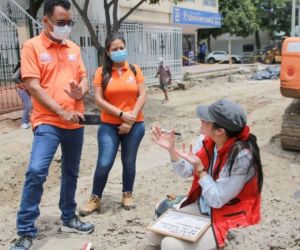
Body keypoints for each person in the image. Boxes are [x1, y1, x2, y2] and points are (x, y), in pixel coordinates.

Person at [10, 1, 94, 249]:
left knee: (71, 171)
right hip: (48, 121)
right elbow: (33, 86)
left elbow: (83, 78)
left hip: (74, 121)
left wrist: (81, 94)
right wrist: (60, 111)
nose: (66, 27)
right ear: (45, 21)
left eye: (69, 22)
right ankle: (25, 230)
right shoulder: (32, 46)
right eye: (61, 22)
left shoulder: (73, 48)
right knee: (36, 171)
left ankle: (68, 217)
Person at [148, 99, 263, 250]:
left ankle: (224, 237)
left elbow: (217, 199)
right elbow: (186, 171)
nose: (201, 120)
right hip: (205, 204)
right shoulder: (206, 140)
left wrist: (200, 169)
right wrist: (171, 150)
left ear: (220, 131)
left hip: (226, 211)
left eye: (206, 120)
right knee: (154, 235)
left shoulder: (241, 156)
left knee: (170, 245)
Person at [79, 33, 147, 216]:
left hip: (135, 124)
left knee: (129, 161)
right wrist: (121, 115)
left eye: (121, 48)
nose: (119, 51)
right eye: (114, 49)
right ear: (108, 52)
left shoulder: (134, 69)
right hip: (109, 125)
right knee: (104, 162)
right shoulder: (102, 72)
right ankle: (95, 198)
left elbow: (142, 95)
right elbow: (99, 100)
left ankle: (127, 194)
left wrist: (129, 118)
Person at [12, 62, 32, 129]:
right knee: (28, 105)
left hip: (28, 89)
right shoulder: (21, 68)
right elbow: (14, 77)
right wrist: (21, 84)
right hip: (22, 90)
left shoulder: (28, 68)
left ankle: (29, 120)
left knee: (32, 105)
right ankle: (24, 122)